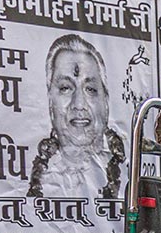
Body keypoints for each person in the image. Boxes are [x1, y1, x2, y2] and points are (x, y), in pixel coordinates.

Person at [28, 34, 124, 201]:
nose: (79, 104)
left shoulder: (129, 174)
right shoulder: (41, 177)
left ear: (106, 102)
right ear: (50, 102)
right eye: (65, 88)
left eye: (91, 89)